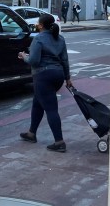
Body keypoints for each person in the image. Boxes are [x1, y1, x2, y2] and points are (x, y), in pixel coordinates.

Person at [18, 14, 73, 152]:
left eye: (38, 23)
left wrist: (24, 56)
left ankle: (59, 142)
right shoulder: (60, 38)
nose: (36, 24)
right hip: (58, 75)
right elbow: (65, 60)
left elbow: (34, 61)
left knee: (51, 109)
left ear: (41, 25)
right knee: (38, 102)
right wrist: (67, 78)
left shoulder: (38, 39)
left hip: (43, 76)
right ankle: (31, 133)